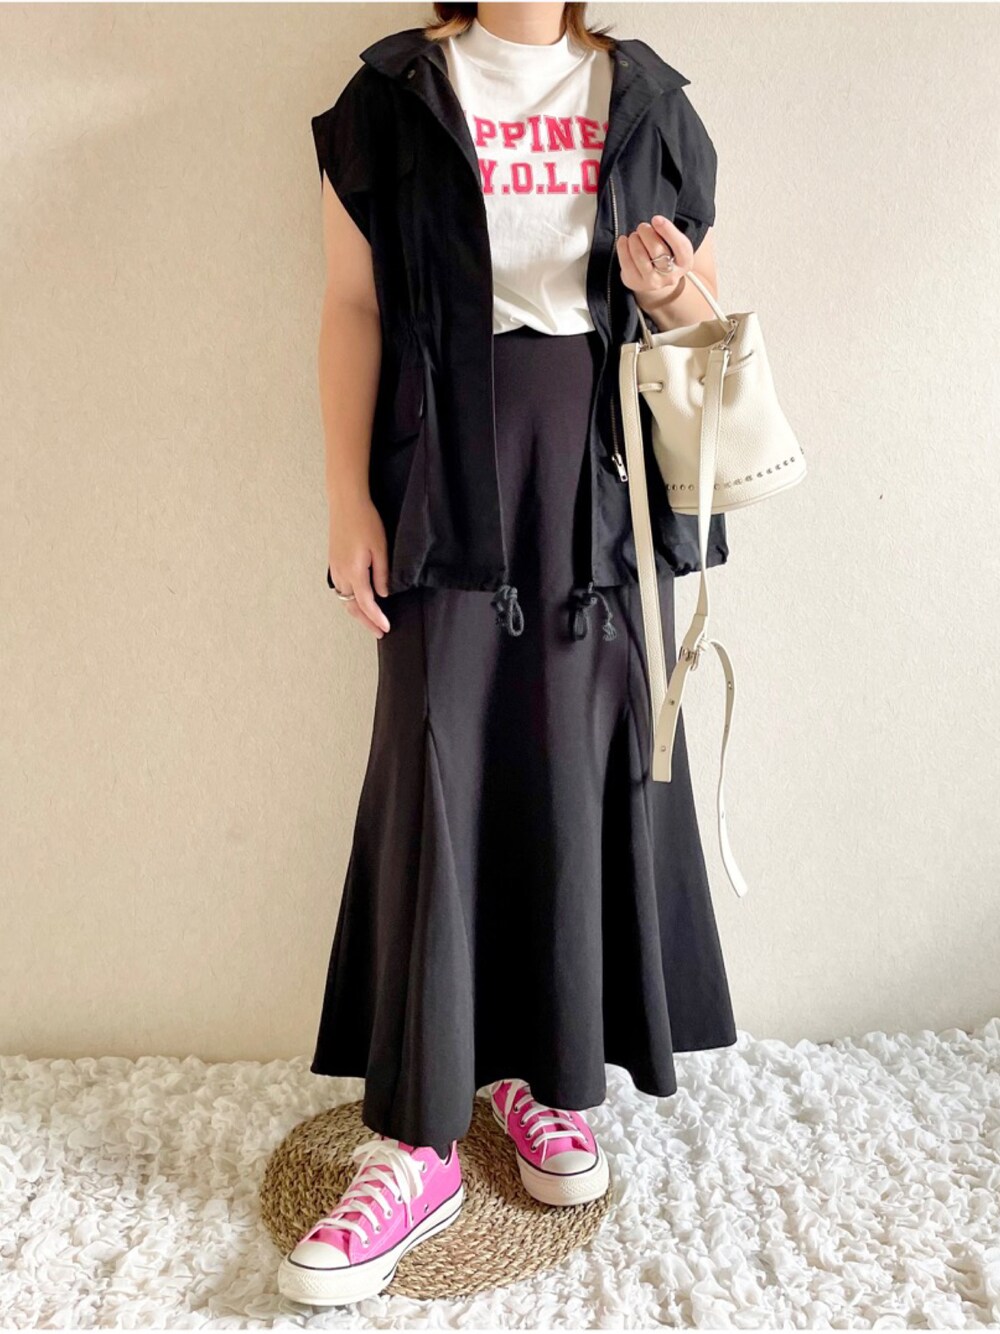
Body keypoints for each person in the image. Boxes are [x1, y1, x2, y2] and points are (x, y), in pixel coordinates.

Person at [278, 1, 738, 1307]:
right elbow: (354, 305)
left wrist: (673, 290)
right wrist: (346, 499)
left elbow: (704, 318)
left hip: (600, 479)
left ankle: (551, 1076)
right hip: (440, 467)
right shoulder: (392, 97)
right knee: (433, 762)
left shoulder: (647, 100)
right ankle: (419, 1139)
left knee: (577, 766)